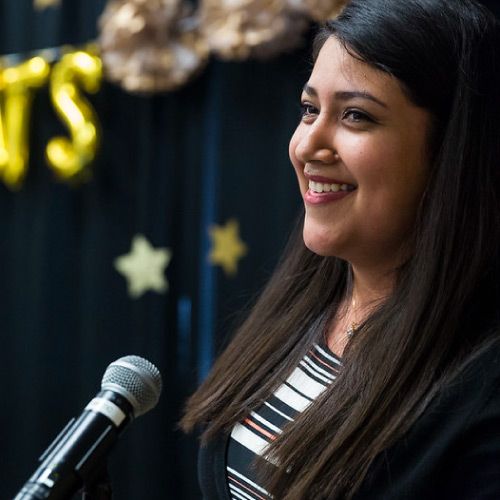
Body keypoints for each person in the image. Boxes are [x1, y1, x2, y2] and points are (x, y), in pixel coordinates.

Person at [181, 0, 500, 498]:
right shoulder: (310, 302)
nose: (308, 146)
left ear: (453, 150)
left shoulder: (482, 384)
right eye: (310, 110)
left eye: (355, 116)